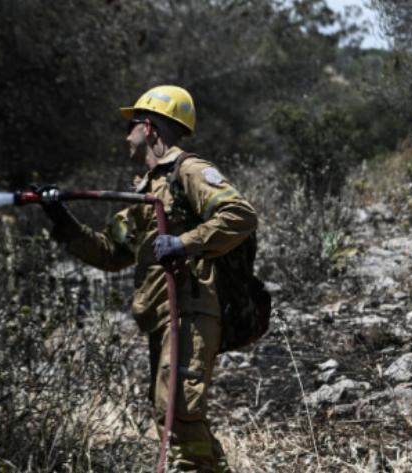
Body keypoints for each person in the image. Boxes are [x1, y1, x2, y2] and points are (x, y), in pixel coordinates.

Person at [39, 85, 257, 472]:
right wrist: (60, 218)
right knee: (172, 415)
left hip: (190, 309)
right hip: (163, 316)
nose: (127, 136)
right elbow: (111, 254)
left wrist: (184, 243)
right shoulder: (146, 189)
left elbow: (240, 215)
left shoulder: (188, 171)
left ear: (150, 128)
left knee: (180, 414)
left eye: (131, 126)